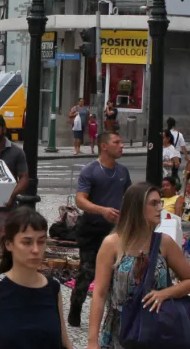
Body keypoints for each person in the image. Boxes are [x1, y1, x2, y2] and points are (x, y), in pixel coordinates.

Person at [87, 183, 190, 349]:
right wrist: (92, 341)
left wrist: (165, 293)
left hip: (155, 328)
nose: (160, 208)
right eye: (153, 203)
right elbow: (100, 292)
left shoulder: (164, 243)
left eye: (160, 202)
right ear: (136, 208)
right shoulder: (112, 244)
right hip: (121, 329)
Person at [0, 208, 72, 349]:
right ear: (9, 244)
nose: (35, 250)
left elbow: (64, 341)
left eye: (41, 242)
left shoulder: (52, 287)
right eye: (27, 242)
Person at [68, 132, 132, 327]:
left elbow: (129, 198)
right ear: (104, 146)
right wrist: (102, 210)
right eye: (117, 142)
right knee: (87, 272)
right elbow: (81, 200)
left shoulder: (123, 172)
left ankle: (112, 317)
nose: (122, 146)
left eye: (121, 141)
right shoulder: (90, 171)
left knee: (116, 274)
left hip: (115, 232)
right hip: (92, 230)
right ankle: (75, 309)